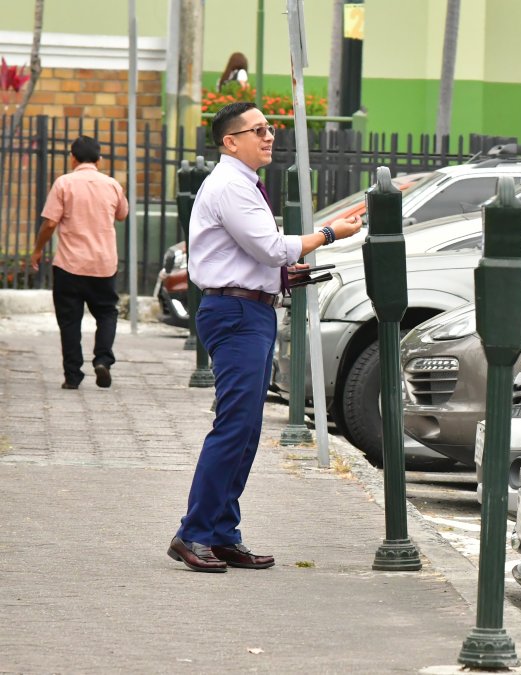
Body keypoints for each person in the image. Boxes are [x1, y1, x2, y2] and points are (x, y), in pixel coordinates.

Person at [168, 101, 363, 573]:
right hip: (236, 313)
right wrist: (328, 234)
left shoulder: (241, 183)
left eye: (268, 128)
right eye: (257, 130)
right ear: (230, 141)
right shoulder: (231, 185)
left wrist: (279, 276)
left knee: (246, 429)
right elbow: (271, 247)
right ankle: (194, 533)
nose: (269, 136)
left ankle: (221, 533)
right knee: (234, 426)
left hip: (248, 309)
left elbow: (253, 255)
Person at [30, 136, 129, 390]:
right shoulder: (112, 185)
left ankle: (73, 376)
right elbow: (122, 214)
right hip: (103, 265)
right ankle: (103, 360)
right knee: (106, 313)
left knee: (69, 321)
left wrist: (38, 250)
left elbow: (50, 222)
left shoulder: (64, 183)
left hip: (69, 266)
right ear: (99, 160)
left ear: (72, 158)